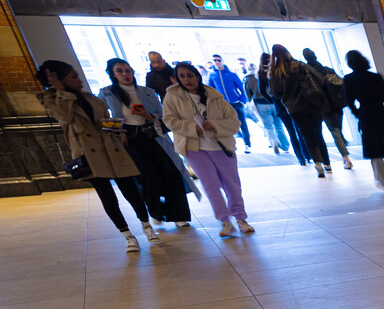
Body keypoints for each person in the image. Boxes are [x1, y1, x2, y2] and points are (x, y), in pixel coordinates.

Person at [38, 59, 156, 251]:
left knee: (132, 192)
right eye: (74, 77)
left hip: (111, 148)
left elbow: (104, 119)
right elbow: (65, 117)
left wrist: (115, 128)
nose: (80, 80)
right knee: (108, 198)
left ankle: (146, 226)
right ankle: (127, 235)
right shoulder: (52, 100)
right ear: (60, 80)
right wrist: (61, 90)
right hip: (89, 155)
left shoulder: (89, 96)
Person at [99, 58, 193, 228]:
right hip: (130, 140)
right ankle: (157, 212)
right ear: (112, 74)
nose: (125, 74)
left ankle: (178, 215)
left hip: (153, 135)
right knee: (147, 178)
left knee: (172, 173)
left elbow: (163, 116)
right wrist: (119, 131)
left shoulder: (147, 92)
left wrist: (148, 116)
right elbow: (103, 119)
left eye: (128, 70)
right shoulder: (106, 93)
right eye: (119, 71)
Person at [162, 60, 253, 236]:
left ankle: (240, 218)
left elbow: (234, 122)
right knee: (211, 186)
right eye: (182, 76)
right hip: (193, 148)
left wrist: (215, 125)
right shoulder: (172, 96)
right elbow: (170, 121)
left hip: (221, 145)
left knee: (232, 184)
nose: (187, 79)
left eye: (190, 75)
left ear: (197, 76)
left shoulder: (214, 95)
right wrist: (192, 128)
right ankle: (225, 221)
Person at [341, 49, 384, 198]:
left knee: (375, 153)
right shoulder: (376, 77)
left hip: (367, 117)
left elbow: (349, 102)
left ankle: (383, 183)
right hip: (383, 115)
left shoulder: (349, 79)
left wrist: (358, 114)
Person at [268, 43, 332, 177]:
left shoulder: (275, 72)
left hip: (295, 108)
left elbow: (276, 93)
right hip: (312, 103)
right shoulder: (300, 65)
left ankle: (318, 165)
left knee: (308, 136)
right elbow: (319, 79)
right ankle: (327, 164)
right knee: (318, 134)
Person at [302, 49, 354, 169]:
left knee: (335, 132)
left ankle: (346, 159)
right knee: (338, 130)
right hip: (337, 105)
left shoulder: (308, 74)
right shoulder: (328, 70)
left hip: (324, 107)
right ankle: (343, 145)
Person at [245, 59, 291, 155]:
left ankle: (274, 142)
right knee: (279, 125)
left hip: (260, 104)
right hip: (274, 102)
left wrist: (251, 100)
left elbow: (248, 95)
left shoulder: (248, 79)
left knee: (268, 126)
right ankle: (285, 146)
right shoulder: (268, 74)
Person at [206, 54, 252, 149]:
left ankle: (247, 144)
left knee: (242, 123)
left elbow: (242, 88)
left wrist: (242, 101)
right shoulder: (212, 75)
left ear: (222, 61)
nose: (217, 62)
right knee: (227, 125)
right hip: (223, 105)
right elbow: (210, 90)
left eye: (218, 60)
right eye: (214, 60)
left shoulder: (232, 75)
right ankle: (231, 144)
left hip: (236, 103)